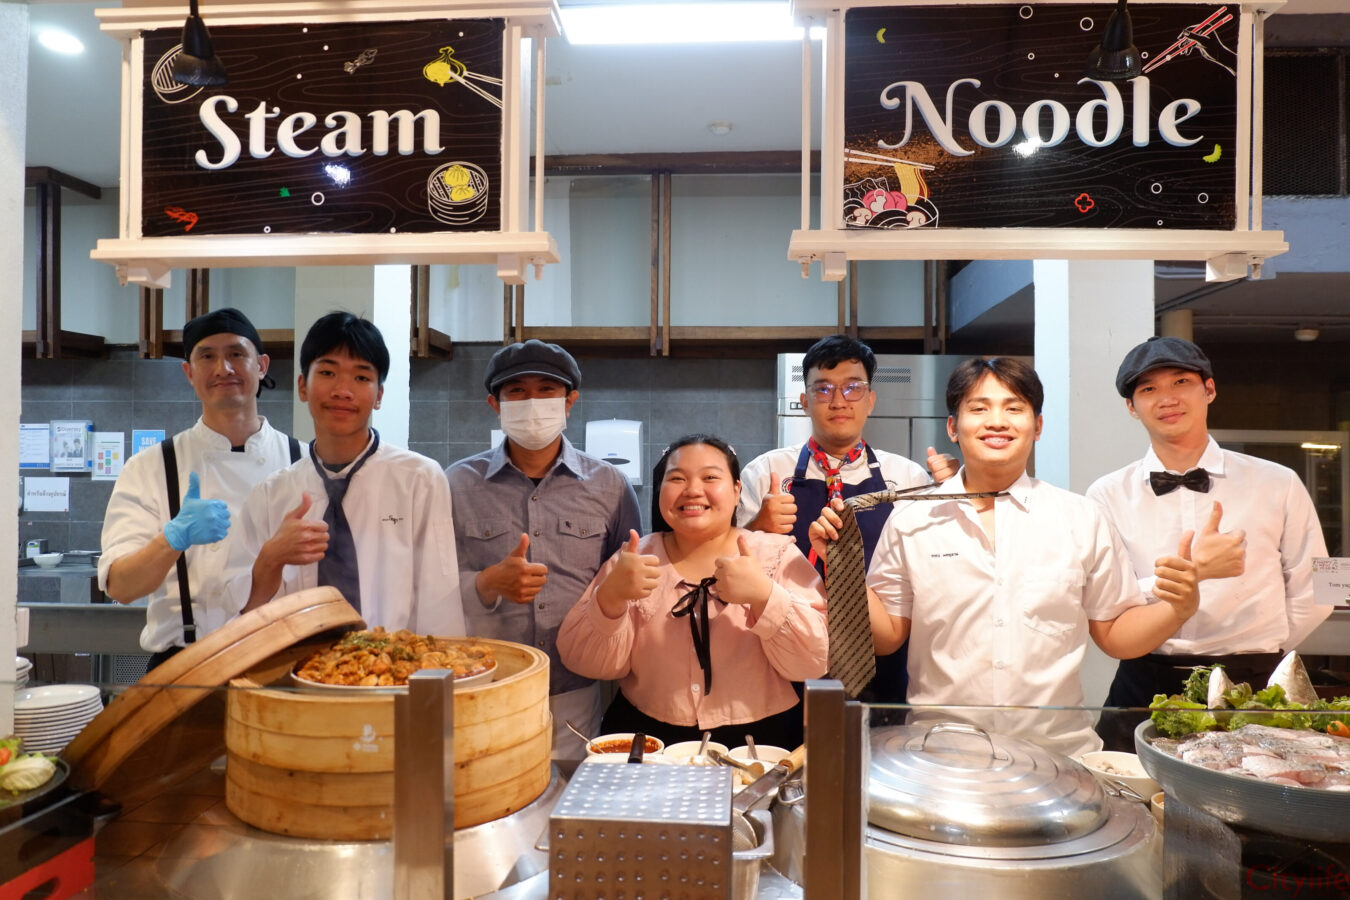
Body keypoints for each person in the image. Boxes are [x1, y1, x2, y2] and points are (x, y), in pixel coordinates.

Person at [810, 357, 1200, 757]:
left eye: (1014, 408)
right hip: (941, 752)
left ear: (1038, 426)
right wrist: (842, 567)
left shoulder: (1081, 517)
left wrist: (1177, 609)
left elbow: (1116, 635)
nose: (997, 421)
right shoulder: (911, 519)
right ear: (953, 427)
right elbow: (887, 637)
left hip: (1058, 752)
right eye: (979, 408)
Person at [1088, 337, 1330, 750]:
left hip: (1253, 684)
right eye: (1148, 388)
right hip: (1145, 679)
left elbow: (1318, 589)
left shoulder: (1278, 482)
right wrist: (1188, 576)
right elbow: (1109, 599)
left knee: (1257, 788)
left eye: (1181, 382)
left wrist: (1262, 646)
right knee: (1122, 784)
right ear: (1131, 406)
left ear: (1210, 389)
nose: (1167, 398)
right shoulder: (1107, 494)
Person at [558, 434, 828, 749]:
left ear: (736, 490)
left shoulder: (777, 555)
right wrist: (610, 598)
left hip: (759, 741)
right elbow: (587, 663)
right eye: (677, 478)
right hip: (646, 738)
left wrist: (764, 596)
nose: (693, 490)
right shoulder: (633, 559)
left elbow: (814, 662)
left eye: (710, 477)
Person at [446, 339, 641, 758]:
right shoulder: (456, 485)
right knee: (492, 788)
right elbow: (429, 584)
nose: (532, 402)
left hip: (576, 688)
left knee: (570, 790)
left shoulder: (610, 486)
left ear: (569, 402)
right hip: (487, 684)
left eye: (546, 390)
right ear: (495, 404)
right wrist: (486, 583)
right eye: (516, 391)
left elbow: (631, 586)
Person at [736, 334, 953, 702]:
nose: (838, 401)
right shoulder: (765, 472)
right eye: (823, 389)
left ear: (870, 400)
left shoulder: (907, 478)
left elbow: (935, 570)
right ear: (805, 401)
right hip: (782, 650)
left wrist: (955, 495)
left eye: (853, 388)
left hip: (882, 653)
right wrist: (758, 528)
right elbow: (730, 569)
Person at [229, 312, 464, 636]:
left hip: (395, 665)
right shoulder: (271, 494)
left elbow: (440, 602)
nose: (343, 390)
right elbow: (242, 622)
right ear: (303, 386)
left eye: (361, 377)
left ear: (379, 395)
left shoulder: (419, 480)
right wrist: (271, 559)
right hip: (297, 666)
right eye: (327, 372)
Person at [99, 308, 301, 670]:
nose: (223, 368)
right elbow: (121, 588)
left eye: (236, 353)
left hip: (283, 661)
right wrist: (172, 539)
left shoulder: (303, 462)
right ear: (189, 373)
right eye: (207, 356)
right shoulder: (150, 467)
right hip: (184, 666)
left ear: (261, 365)